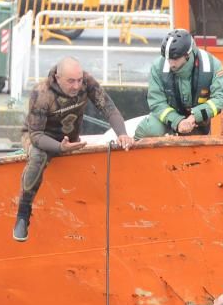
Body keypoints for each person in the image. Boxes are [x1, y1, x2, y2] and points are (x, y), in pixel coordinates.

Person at [14, 57, 134, 242]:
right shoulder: (42, 93)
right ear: (58, 77)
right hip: (39, 136)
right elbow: (36, 135)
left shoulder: (87, 83)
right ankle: (23, 214)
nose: (77, 86)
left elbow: (109, 109)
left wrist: (122, 134)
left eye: (79, 80)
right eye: (71, 81)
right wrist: (59, 148)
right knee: (38, 157)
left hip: (69, 137)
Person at [134, 29, 223, 138]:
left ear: (187, 55)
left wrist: (195, 116)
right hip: (167, 120)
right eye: (168, 58)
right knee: (150, 129)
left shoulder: (211, 65)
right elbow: (157, 102)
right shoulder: (158, 67)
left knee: (195, 147)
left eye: (175, 59)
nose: (171, 63)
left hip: (197, 123)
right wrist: (177, 122)